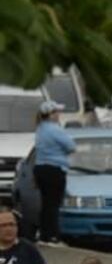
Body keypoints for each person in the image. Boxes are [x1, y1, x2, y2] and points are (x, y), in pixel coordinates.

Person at [32, 105, 75, 244]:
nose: (59, 114)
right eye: (56, 112)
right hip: (54, 169)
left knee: (46, 203)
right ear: (50, 115)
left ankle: (44, 235)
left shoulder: (40, 128)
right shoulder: (54, 129)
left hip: (41, 168)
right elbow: (71, 146)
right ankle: (53, 236)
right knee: (54, 204)